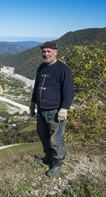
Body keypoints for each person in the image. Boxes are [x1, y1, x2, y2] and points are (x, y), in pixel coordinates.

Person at [30, 41, 74, 177]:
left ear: (56, 52)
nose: (46, 54)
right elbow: (36, 86)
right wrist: (32, 103)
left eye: (49, 51)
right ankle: (48, 157)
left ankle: (57, 163)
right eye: (44, 52)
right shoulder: (42, 67)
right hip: (41, 110)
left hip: (55, 112)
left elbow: (69, 91)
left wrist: (64, 108)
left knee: (56, 139)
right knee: (43, 135)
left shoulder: (63, 69)